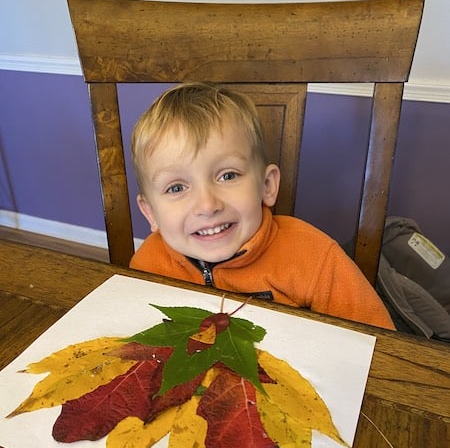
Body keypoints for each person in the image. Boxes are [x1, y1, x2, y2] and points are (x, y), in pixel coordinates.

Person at [130, 82, 395, 330]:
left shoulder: (316, 259)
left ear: (267, 185)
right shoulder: (148, 264)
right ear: (151, 212)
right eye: (176, 188)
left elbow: (378, 345)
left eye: (228, 175)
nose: (207, 205)